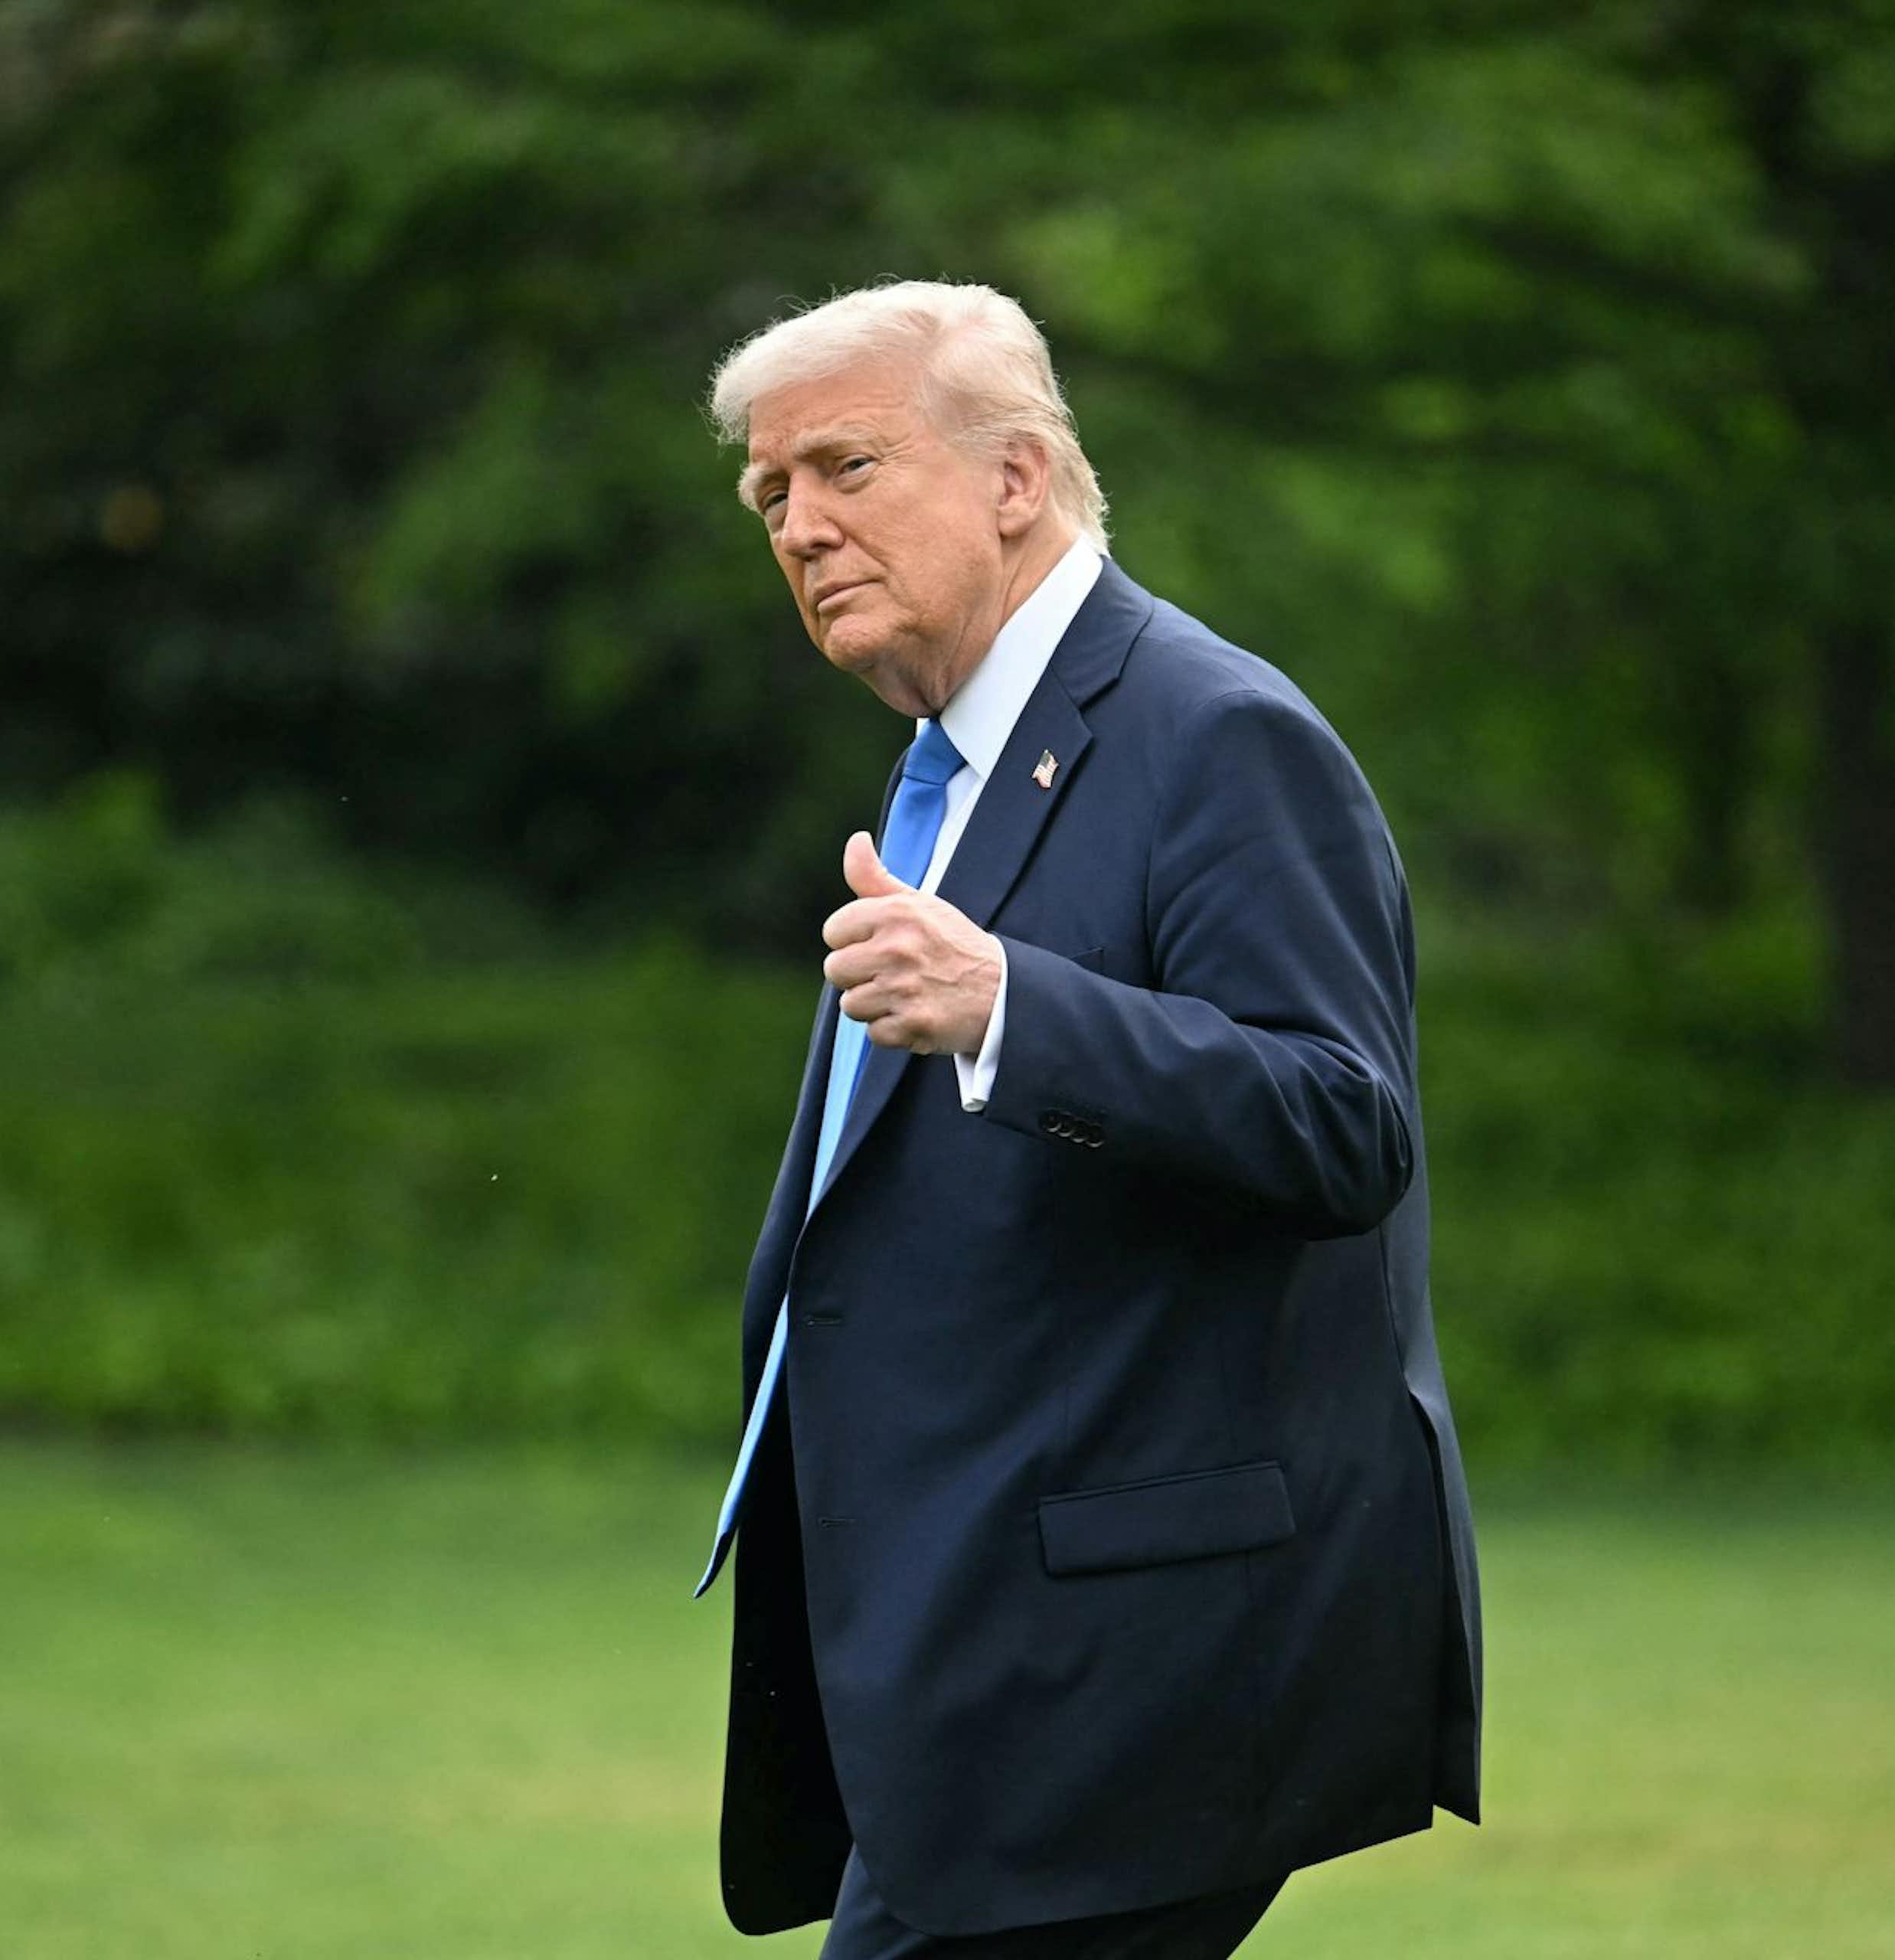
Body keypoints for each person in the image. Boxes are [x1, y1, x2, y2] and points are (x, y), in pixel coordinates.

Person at [693, 280, 1482, 1958]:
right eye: (772, 496)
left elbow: (1342, 1121)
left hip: (1132, 1671)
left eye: (843, 464)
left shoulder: (1218, 734)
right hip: (982, 1660)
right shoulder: (957, 766)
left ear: (1015, 478)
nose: (801, 525)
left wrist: (1012, 1009)